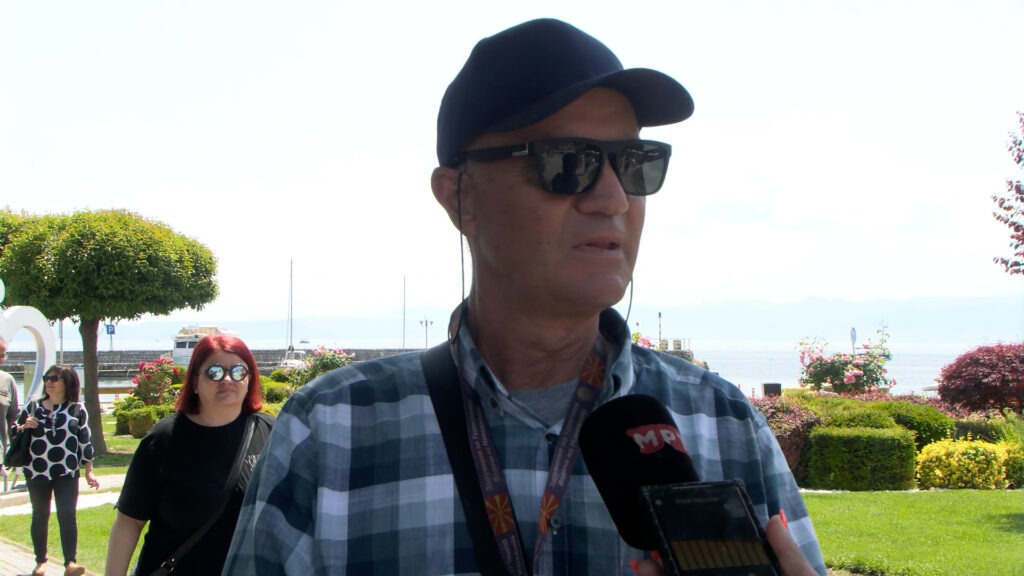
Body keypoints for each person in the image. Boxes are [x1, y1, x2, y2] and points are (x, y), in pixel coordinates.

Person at [224, 18, 827, 576]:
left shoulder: (724, 427)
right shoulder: (332, 433)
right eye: (567, 162)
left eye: (635, 163)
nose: (613, 199)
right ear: (459, 197)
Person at [105, 334, 274, 576]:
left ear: (249, 380)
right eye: (215, 372)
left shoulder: (271, 433)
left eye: (238, 371)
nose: (227, 379)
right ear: (195, 382)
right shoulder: (163, 439)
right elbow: (129, 522)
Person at [12, 364, 98, 576]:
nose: (48, 382)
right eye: (46, 378)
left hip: (66, 472)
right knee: (40, 515)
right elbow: (13, 430)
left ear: (66, 383)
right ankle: (40, 562)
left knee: (67, 514)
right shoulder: (33, 407)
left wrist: (89, 471)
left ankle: (70, 563)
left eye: (54, 378)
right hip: (37, 471)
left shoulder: (77, 409)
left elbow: (84, 441)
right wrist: (24, 425)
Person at [0, 337, 20, 482]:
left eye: (3, 355)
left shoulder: (7, 380)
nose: (1, 359)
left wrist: (14, 451)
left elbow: (13, 419)